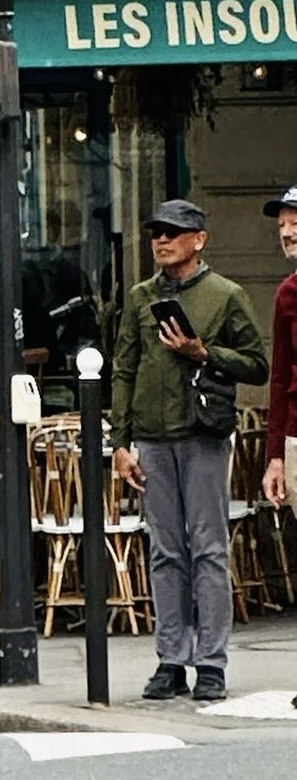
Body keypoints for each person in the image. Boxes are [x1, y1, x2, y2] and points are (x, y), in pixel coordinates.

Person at [112, 198, 267, 701]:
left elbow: (256, 365)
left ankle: (212, 663)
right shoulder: (139, 298)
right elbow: (123, 368)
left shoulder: (226, 295)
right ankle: (171, 660)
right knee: (165, 553)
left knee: (208, 549)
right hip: (154, 439)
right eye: (156, 232)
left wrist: (205, 353)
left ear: (198, 240)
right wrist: (119, 442)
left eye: (173, 232)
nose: (161, 240)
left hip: (203, 436)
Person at [259, 187, 297, 516]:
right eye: (281, 226)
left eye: (296, 224)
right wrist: (275, 457)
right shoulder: (287, 294)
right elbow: (280, 378)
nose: (286, 233)